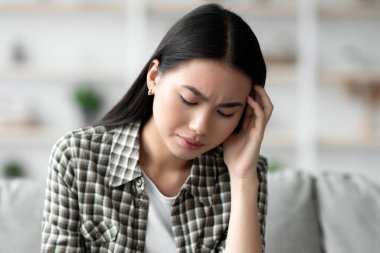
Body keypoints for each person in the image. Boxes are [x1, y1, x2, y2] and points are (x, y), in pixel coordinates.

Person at [41, 3, 273, 253]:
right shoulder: (77, 157)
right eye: (188, 100)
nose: (200, 126)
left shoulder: (244, 172)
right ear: (154, 77)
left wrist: (243, 179)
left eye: (225, 112)